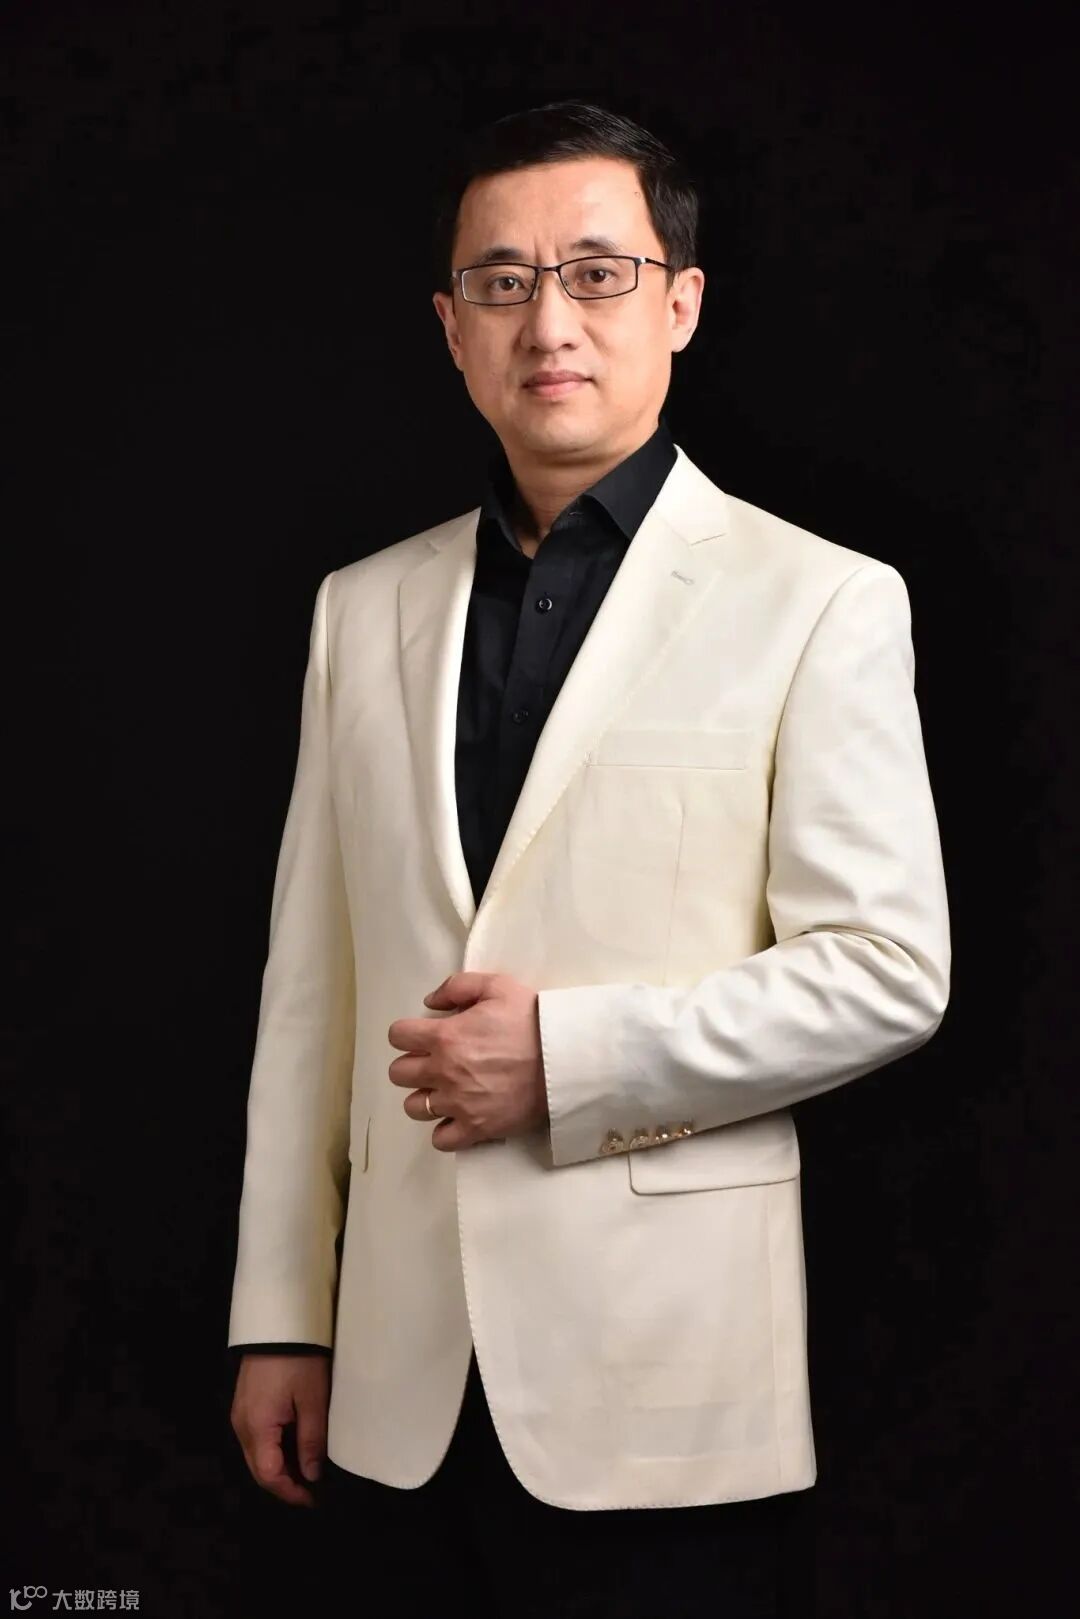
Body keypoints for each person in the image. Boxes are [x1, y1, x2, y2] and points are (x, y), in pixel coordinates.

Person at [226, 99, 950, 1617]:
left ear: (680, 302)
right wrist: (283, 1315)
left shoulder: (821, 599)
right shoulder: (361, 606)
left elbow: (889, 971)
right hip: (399, 1383)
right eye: (501, 282)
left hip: (665, 1377)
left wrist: (566, 1060)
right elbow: (312, 998)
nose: (548, 320)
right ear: (451, 328)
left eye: (598, 273)